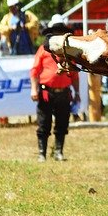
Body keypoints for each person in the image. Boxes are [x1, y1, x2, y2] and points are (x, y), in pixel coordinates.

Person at [30, 15, 80, 162]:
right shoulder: (44, 49)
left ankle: (58, 152)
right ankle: (42, 153)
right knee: (43, 123)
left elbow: (75, 75)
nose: (58, 33)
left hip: (64, 92)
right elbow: (34, 71)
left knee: (62, 122)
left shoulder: (69, 51)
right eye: (56, 30)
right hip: (46, 91)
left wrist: (77, 93)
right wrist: (34, 89)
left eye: (61, 30)